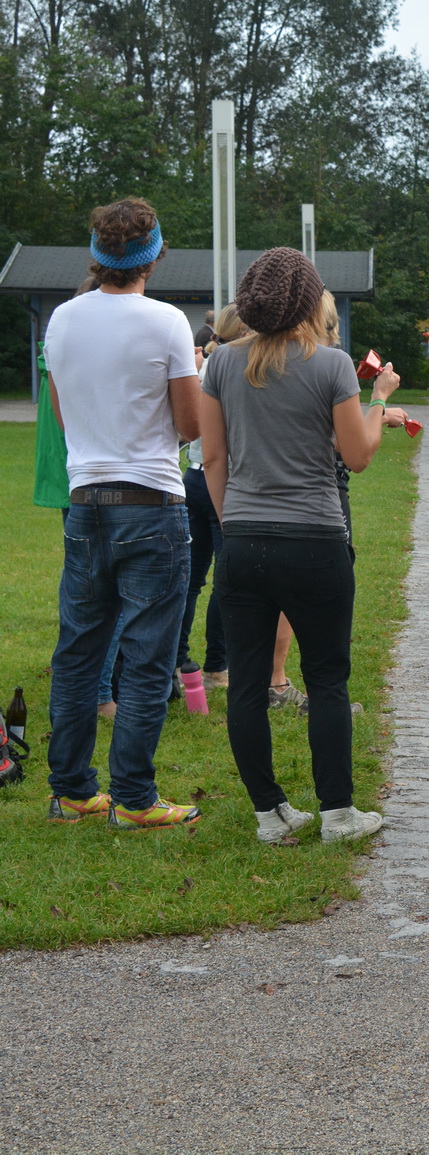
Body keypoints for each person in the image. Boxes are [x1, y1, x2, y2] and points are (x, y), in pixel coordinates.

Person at [202, 247, 397, 844]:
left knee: (249, 681)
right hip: (315, 539)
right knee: (329, 678)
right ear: (311, 301)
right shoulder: (332, 364)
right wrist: (381, 399)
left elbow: (214, 458)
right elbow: (357, 457)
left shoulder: (220, 364)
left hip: (243, 540)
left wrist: (233, 523)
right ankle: (338, 813)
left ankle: (270, 813)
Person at [43, 197, 201, 829]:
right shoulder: (166, 323)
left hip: (85, 504)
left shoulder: (61, 319)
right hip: (152, 505)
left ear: (96, 254)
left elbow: (62, 415)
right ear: (154, 255)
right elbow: (189, 424)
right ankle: (134, 797)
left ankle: (73, 791)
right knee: (147, 656)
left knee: (79, 654)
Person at [177, 304, 249, 695]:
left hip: (193, 477)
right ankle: (217, 664)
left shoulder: (205, 365)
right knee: (225, 579)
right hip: (223, 478)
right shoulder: (236, 367)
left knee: (190, 578)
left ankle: (177, 658)